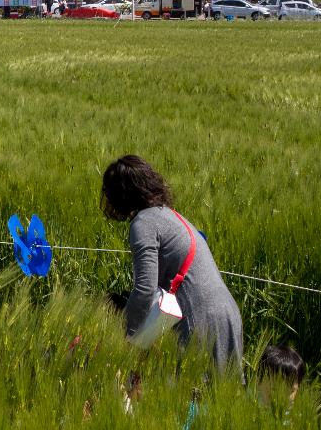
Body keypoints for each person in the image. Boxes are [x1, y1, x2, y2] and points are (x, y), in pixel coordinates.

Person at [102, 154, 243, 371]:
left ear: (121, 196)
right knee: (223, 400)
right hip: (228, 315)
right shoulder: (171, 216)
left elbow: (144, 289)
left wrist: (122, 335)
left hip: (199, 320)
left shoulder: (143, 223)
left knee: (192, 399)